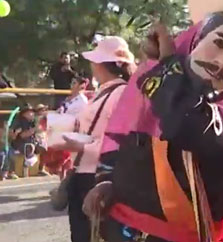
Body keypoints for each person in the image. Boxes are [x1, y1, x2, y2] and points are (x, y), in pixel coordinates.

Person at [82, 0, 223, 242]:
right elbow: (128, 131)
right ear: (197, 39)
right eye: (219, 43)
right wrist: (106, 181)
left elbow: (185, 124)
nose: (221, 61)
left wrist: (167, 63)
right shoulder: (165, 80)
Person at [53, 36, 134, 242]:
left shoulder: (121, 93)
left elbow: (122, 141)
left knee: (93, 234)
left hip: (97, 177)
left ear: (101, 64)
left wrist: (83, 145)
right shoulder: (103, 92)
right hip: (85, 173)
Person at [44, 77, 89, 179]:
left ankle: (68, 184)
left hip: (75, 130)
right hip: (64, 128)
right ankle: (63, 182)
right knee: (62, 158)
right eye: (72, 83)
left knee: (70, 159)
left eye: (74, 83)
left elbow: (81, 117)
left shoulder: (82, 100)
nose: (72, 85)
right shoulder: (70, 98)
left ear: (81, 85)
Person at [9, 106, 40, 176]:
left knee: (41, 146)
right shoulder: (19, 121)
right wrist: (35, 129)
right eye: (30, 112)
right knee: (28, 147)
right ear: (24, 113)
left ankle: (36, 167)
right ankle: (24, 166)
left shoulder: (32, 122)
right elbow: (22, 135)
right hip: (19, 143)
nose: (32, 114)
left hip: (31, 142)